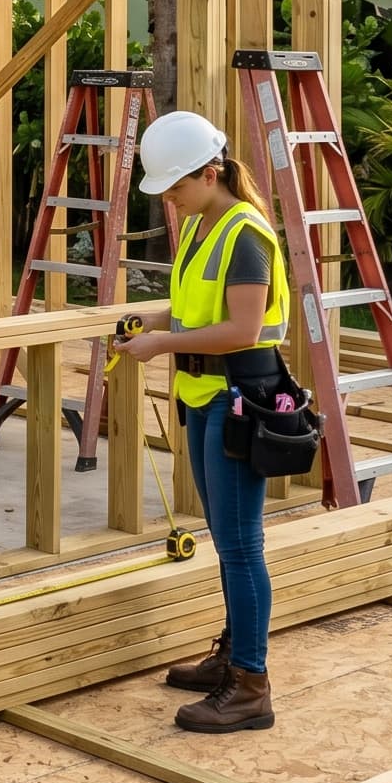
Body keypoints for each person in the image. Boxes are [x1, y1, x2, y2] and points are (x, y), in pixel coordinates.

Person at [114, 110, 291, 735]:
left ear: (209, 173)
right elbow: (194, 309)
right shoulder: (200, 225)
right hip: (206, 395)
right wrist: (156, 325)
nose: (168, 198)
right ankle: (233, 657)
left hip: (239, 398)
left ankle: (251, 685)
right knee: (227, 539)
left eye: (175, 187)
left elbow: (244, 330)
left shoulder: (244, 233)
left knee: (242, 546)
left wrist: (160, 347)